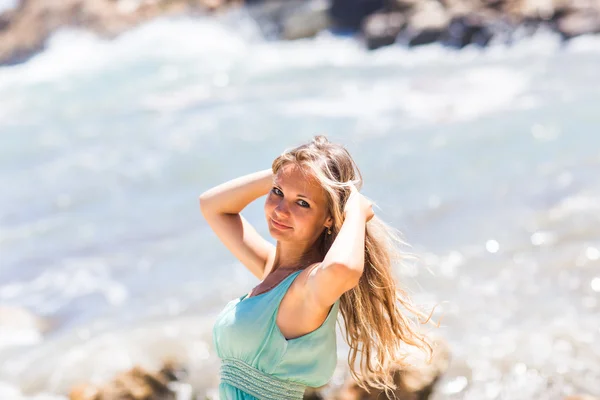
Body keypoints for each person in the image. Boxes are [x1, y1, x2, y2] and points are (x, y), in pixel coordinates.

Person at [199, 136, 431, 399]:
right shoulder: (271, 271)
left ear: (330, 218)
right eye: (277, 193)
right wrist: (288, 172)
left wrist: (355, 210)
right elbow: (212, 206)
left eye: (302, 203)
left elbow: (343, 268)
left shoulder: (307, 286)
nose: (280, 210)